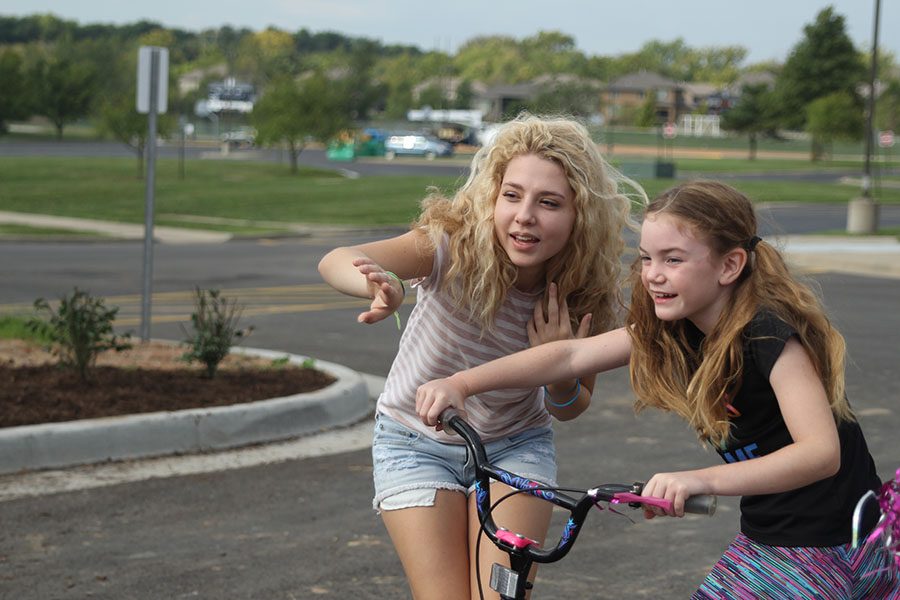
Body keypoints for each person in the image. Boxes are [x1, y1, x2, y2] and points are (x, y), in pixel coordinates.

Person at [417, 180, 899, 598]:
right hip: (776, 537)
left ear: (730, 265)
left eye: (673, 259)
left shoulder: (768, 336)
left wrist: (698, 479)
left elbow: (820, 453)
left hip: (831, 545)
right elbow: (568, 355)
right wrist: (463, 382)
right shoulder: (680, 327)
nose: (653, 274)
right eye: (647, 258)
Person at [318, 114, 645, 600]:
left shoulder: (584, 290)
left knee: (503, 598)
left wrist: (558, 369)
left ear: (580, 214)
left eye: (549, 202)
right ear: (492, 195)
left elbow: (571, 406)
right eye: (511, 195)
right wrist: (375, 284)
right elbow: (335, 259)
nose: (524, 216)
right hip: (414, 443)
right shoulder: (450, 244)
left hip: (517, 446)